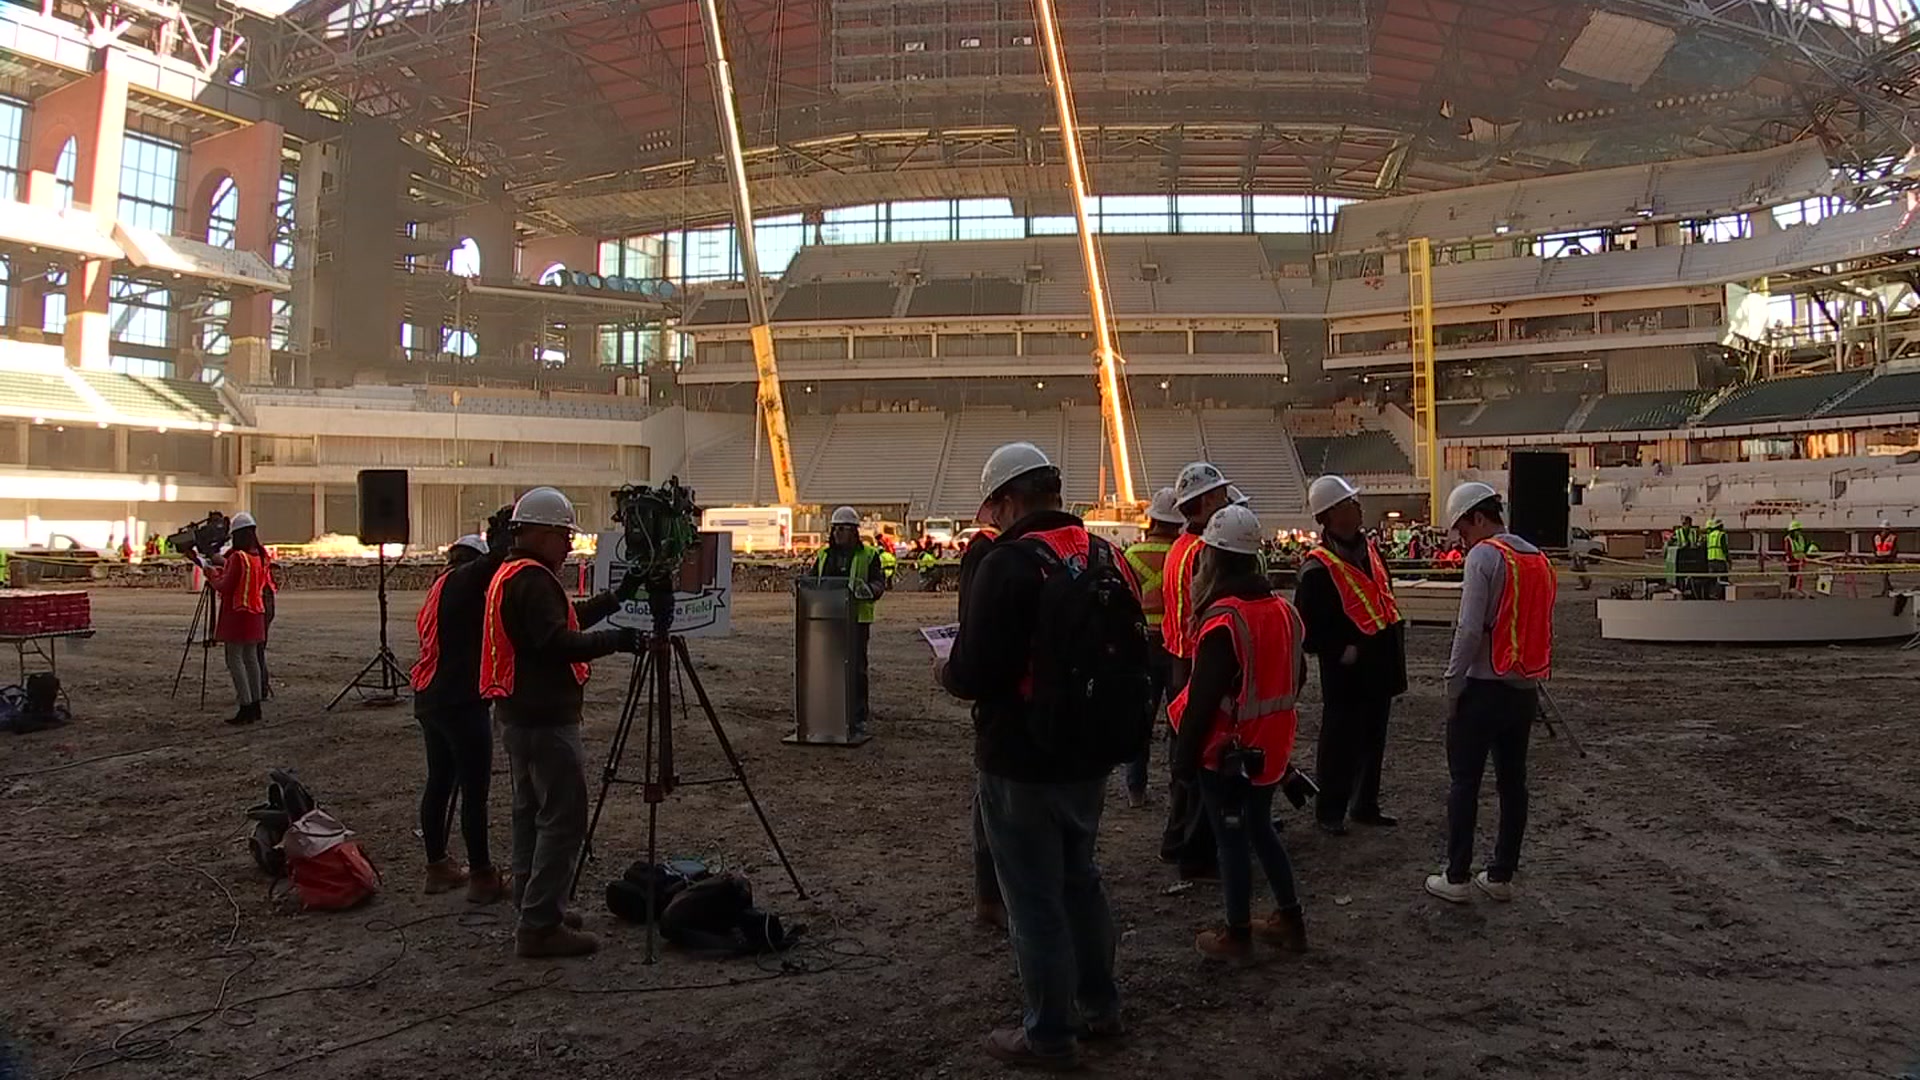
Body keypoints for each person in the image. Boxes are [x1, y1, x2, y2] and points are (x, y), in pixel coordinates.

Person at [938, 442, 1122, 1069]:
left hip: (1020, 756)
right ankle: (1101, 1005)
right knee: (1081, 881)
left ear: (1012, 499)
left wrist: (944, 669)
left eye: (995, 508)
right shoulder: (1103, 554)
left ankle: (1048, 1032)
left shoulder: (1009, 564)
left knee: (1034, 898)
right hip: (1090, 750)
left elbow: (974, 671)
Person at [481, 487, 642, 958]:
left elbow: (564, 620)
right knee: (562, 819)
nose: (569, 546)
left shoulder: (513, 574)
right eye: (564, 537)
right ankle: (540, 925)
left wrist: (614, 600)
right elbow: (556, 642)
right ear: (542, 533)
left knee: (530, 814)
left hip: (517, 715)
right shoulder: (533, 580)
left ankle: (536, 905)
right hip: (545, 718)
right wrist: (617, 641)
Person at [1170, 504, 1309, 963]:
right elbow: (1296, 676)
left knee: (1231, 839)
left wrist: (1183, 763)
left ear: (1214, 558)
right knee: (1261, 829)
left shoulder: (1224, 619)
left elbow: (1202, 699)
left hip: (1228, 753)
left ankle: (1237, 932)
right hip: (1272, 745)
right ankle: (1289, 918)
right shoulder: (1282, 612)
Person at [1426, 482, 1555, 905]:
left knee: (1464, 782)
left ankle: (1457, 875)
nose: (1462, 541)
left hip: (1481, 688)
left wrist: (1452, 681)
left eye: (1463, 531)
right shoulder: (1535, 557)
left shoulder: (1484, 556)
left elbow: (1468, 627)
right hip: (1522, 687)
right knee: (1512, 783)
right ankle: (1501, 874)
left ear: (1478, 519)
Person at [1295, 475, 1406, 836]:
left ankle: (1365, 804)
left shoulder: (1371, 552)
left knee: (1374, 739)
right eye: (1348, 505)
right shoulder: (1316, 568)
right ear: (1329, 516)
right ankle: (1331, 810)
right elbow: (1307, 631)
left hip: (1380, 664)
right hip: (1346, 673)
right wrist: (1341, 650)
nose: (1358, 510)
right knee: (1339, 742)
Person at [412, 526, 510, 903]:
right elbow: (485, 568)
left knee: (439, 782)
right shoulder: (463, 581)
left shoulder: (437, 589)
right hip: (460, 702)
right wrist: (503, 544)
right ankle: (482, 876)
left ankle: (437, 867)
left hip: (431, 698)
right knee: (474, 791)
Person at [1160, 461, 1236, 880]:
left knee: (1183, 757)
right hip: (1195, 666)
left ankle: (1176, 841)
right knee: (1203, 759)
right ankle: (1195, 852)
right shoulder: (1204, 553)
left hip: (1177, 661)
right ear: (1205, 501)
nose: (1225, 500)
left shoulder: (1178, 548)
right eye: (1220, 494)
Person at [958, 496, 1007, 931]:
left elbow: (972, 654)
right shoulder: (1084, 551)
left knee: (993, 808)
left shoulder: (992, 556)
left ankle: (991, 898)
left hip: (1008, 718)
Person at [1120, 487, 1183, 809]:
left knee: (1140, 719)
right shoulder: (1187, 554)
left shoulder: (1131, 556)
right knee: (1179, 720)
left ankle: (1136, 789)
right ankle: (1179, 787)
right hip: (1178, 646)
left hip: (1142, 645)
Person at [814, 506, 888, 737]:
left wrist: (869, 590)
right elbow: (812, 579)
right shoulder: (824, 555)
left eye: (843, 529)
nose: (838, 533)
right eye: (835, 529)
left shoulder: (869, 555)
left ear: (854, 531)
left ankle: (857, 715)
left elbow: (879, 582)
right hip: (828, 618)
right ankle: (832, 711)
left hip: (856, 620)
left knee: (856, 669)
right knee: (829, 667)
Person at [206, 512, 269, 726]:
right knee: (251, 660)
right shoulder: (260, 555)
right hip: (256, 612)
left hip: (237, 613)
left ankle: (245, 706)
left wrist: (212, 575)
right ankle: (255, 705)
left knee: (234, 660)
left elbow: (225, 586)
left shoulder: (237, 557)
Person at [1784, 520, 1817, 593]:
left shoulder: (1801, 538)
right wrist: (1792, 560)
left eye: (1799, 530)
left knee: (1799, 576)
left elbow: (1803, 548)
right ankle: (1791, 590)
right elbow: (1788, 551)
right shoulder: (1788, 539)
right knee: (1793, 576)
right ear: (1792, 531)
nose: (1798, 532)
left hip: (1801, 560)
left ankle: (1798, 589)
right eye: (1796, 531)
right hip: (1792, 561)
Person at [1704, 517, 1730, 600]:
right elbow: (1724, 548)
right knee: (1723, 578)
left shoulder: (1710, 535)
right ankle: (1721, 595)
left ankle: (1711, 594)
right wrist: (1729, 559)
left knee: (1712, 579)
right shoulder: (1721, 535)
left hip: (1710, 560)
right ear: (1720, 526)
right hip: (1720, 560)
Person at [1873, 519, 1898, 595]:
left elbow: (1895, 549)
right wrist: (1875, 556)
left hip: (1888, 559)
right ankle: (1888, 589)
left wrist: (1893, 558)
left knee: (1885, 575)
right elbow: (1874, 548)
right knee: (1883, 576)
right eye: (1884, 529)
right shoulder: (1876, 537)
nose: (1885, 530)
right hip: (1879, 559)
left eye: (1887, 529)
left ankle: (1886, 590)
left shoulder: (1893, 537)